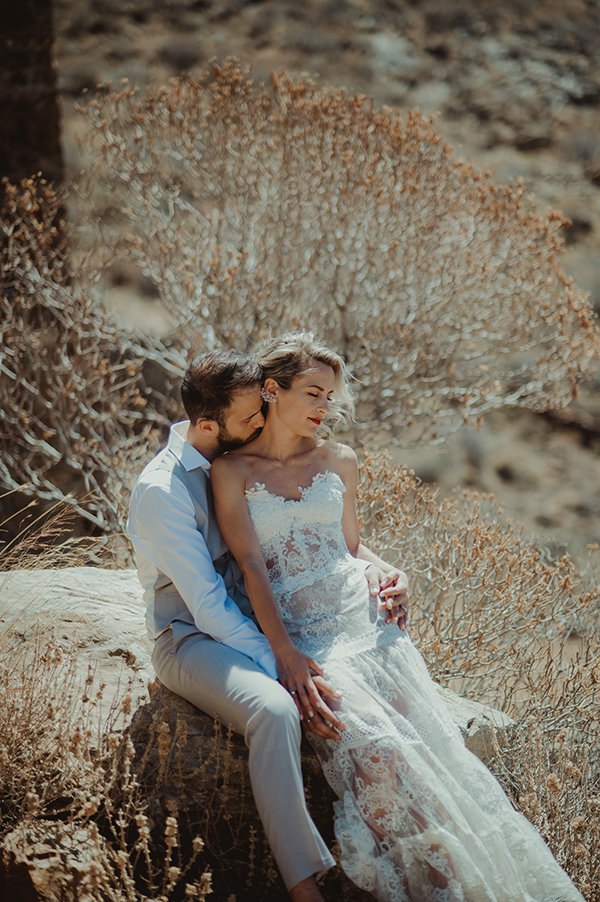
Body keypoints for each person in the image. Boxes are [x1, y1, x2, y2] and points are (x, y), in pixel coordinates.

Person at [210, 333, 585, 902]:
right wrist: (285, 652)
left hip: (369, 625)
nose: (324, 408)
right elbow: (251, 565)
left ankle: (460, 886)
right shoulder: (232, 470)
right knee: (375, 751)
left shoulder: (339, 460)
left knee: (431, 758)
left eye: (330, 397)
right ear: (270, 388)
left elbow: (350, 549)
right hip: (307, 635)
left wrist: (396, 571)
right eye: (313, 393)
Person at [127, 348, 408, 902]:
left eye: (261, 407)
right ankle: (303, 883)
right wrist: (286, 666)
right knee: (275, 708)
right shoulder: (163, 491)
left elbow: (324, 538)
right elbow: (206, 606)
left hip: (257, 623)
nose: (261, 421)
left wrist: (384, 569)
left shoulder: (230, 456)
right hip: (189, 636)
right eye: (250, 416)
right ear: (207, 424)